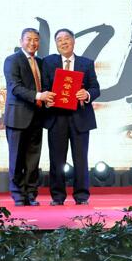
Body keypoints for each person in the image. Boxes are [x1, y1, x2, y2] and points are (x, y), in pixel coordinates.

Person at [42, 29, 100, 205]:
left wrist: (87, 94)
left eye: (67, 38)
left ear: (74, 41)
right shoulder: (48, 62)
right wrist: (47, 99)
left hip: (80, 117)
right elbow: (44, 87)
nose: (63, 42)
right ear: (56, 44)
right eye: (59, 40)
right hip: (56, 117)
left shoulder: (86, 63)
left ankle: (81, 196)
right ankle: (57, 197)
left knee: (80, 159)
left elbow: (95, 88)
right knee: (57, 160)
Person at [3, 28, 54, 206]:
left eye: (36, 40)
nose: (32, 43)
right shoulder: (12, 60)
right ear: (21, 41)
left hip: (37, 117)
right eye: (28, 39)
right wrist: (39, 96)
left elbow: (45, 86)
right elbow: (15, 87)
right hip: (17, 117)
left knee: (33, 160)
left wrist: (49, 99)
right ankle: (18, 195)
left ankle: (31, 194)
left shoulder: (40, 62)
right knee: (16, 159)